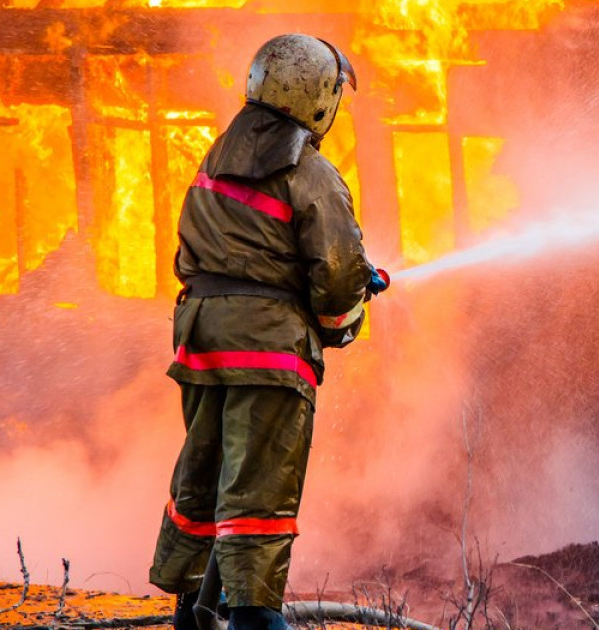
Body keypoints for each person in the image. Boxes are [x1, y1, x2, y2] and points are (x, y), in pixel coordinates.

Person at [148, 34, 387, 630]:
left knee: (205, 473)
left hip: (201, 343)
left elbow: (201, 257)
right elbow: (334, 281)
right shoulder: (311, 173)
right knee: (258, 494)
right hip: (269, 356)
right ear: (316, 98)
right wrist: (348, 316)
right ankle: (254, 615)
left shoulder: (213, 160)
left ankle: (193, 608)